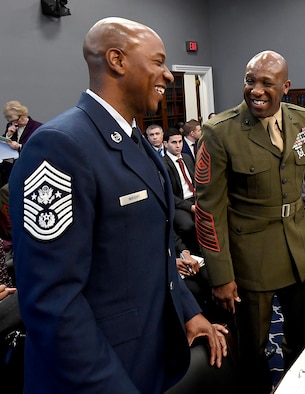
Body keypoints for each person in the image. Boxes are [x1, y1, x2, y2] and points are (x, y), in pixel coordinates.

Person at [8, 17, 227, 393]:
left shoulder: (134, 140)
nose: (168, 74)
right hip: (98, 371)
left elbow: (152, 253)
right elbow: (52, 301)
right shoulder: (60, 146)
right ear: (117, 60)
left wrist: (188, 312)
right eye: (158, 61)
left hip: (149, 350)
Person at [195, 50, 305, 393]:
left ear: (286, 86)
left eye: (267, 83)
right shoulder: (220, 131)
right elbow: (209, 210)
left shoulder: (303, 120)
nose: (256, 90)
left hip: (299, 251)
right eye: (250, 81)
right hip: (250, 259)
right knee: (253, 349)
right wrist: (221, 275)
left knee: (301, 335)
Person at [162, 127, 199, 254]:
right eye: (174, 142)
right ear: (165, 144)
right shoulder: (162, 164)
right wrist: (190, 207)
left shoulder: (187, 158)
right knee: (188, 225)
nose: (178, 145)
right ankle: (193, 253)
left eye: (180, 141)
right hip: (179, 202)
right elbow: (167, 194)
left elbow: (196, 181)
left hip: (195, 197)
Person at [1, 101, 42, 186]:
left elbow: (38, 149)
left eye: (16, 120)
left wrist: (19, 146)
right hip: (11, 168)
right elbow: (4, 144)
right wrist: (8, 135)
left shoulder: (37, 128)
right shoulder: (11, 125)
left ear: (23, 115)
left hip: (28, 168)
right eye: (11, 121)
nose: (14, 124)